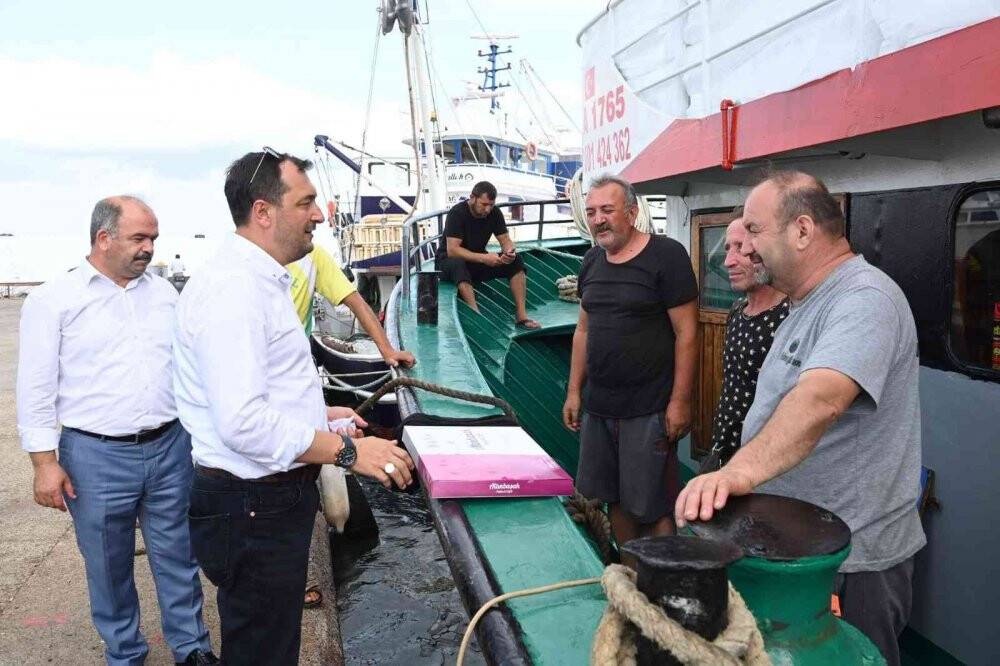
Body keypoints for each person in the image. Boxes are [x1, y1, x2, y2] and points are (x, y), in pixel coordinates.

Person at [675, 171, 926, 665]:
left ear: (803, 231)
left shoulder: (864, 299)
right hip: (797, 547)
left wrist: (737, 473)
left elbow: (821, 399)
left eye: (754, 230)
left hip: (852, 560)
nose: (744, 248)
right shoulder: (804, 302)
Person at [174, 148, 414, 665]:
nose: (320, 215)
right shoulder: (235, 291)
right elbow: (241, 423)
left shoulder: (258, 281)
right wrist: (348, 453)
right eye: (305, 202)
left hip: (261, 502)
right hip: (251, 506)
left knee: (269, 644)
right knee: (263, 651)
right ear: (263, 211)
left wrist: (321, 416)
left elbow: (255, 393)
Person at [16, 196, 216, 666]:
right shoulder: (54, 301)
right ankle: (126, 654)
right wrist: (44, 463)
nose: (149, 249)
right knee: (107, 566)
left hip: (170, 446)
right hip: (94, 456)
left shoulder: (165, 294)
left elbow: (190, 370)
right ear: (104, 238)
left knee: (179, 557)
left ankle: (192, 649)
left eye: (153, 239)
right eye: (139, 239)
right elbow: (36, 387)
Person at [562, 174, 698, 558]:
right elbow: (583, 330)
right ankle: (631, 572)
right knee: (614, 499)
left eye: (607, 210)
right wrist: (574, 391)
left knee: (651, 506)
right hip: (600, 407)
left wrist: (680, 402)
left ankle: (665, 577)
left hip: (649, 408)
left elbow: (687, 333)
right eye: (591, 212)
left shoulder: (666, 255)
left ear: (633, 213)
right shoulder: (591, 260)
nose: (598, 220)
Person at [702, 215, 789, 471]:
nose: (729, 261)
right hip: (724, 449)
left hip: (766, 462)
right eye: (728, 248)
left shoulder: (791, 315)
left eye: (740, 247)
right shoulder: (737, 309)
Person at [287, 243, 415, 366]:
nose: (318, 219)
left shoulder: (313, 255)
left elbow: (357, 304)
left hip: (297, 361)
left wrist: (388, 351)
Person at [435, 181, 540, 329]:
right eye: (484, 204)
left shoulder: (494, 213)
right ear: (472, 198)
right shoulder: (457, 213)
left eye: (491, 205)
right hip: (447, 262)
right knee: (458, 264)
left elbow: (505, 240)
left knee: (517, 262)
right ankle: (476, 315)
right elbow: (453, 250)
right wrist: (485, 258)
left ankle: (522, 317)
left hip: (476, 261)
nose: (488, 209)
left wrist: (509, 252)